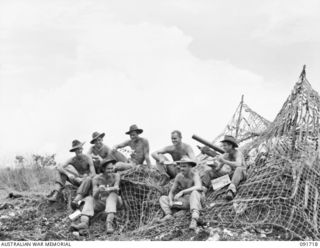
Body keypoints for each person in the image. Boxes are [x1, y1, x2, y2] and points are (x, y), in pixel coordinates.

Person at [70, 158, 122, 234]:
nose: (110, 171)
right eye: (108, 169)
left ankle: (109, 224)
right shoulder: (96, 178)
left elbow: (116, 189)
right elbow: (95, 195)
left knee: (113, 195)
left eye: (112, 168)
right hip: (102, 202)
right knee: (89, 199)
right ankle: (84, 223)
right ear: (103, 169)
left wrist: (106, 189)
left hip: (116, 201)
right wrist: (98, 190)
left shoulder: (116, 175)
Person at [158, 158, 203, 230]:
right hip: (185, 202)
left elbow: (199, 187)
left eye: (184, 166)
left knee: (194, 192)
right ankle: (168, 214)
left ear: (190, 167)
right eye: (181, 166)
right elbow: (171, 192)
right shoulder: (179, 176)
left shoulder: (195, 175)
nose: (181, 168)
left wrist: (182, 192)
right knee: (163, 198)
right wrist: (170, 201)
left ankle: (194, 218)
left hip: (195, 201)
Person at [200, 135, 246, 200]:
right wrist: (213, 165)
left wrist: (224, 161)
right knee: (209, 171)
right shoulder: (226, 155)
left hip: (241, 174)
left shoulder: (237, 153)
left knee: (239, 168)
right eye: (223, 145)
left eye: (225, 145)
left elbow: (238, 164)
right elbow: (218, 168)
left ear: (231, 145)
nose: (223, 147)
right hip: (231, 175)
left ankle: (231, 190)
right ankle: (203, 190)